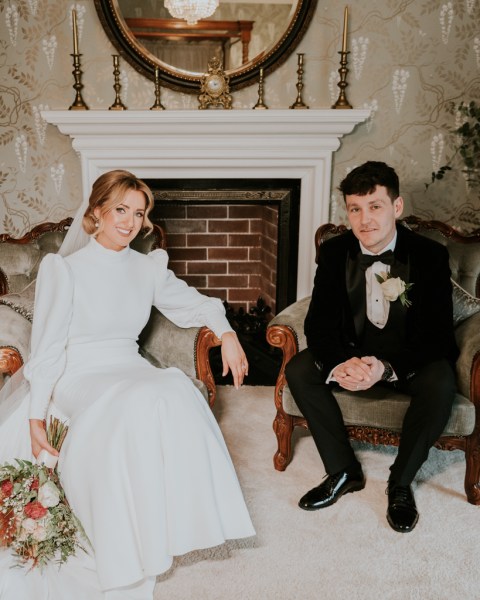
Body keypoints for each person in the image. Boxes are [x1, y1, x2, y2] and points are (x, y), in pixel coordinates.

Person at [0, 170, 255, 598]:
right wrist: (35, 418)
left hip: (127, 364)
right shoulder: (64, 269)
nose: (130, 222)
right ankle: (120, 538)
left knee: (173, 389)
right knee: (135, 399)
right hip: (78, 371)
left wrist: (226, 333)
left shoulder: (147, 267)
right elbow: (46, 351)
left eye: (138, 213)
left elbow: (197, 304)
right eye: (121, 210)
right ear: (97, 211)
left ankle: (167, 526)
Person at [285, 161, 458, 533]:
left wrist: (386, 366)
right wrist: (340, 364)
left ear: (396, 207)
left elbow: (437, 335)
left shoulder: (429, 255)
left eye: (375, 206)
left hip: (405, 362)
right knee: (299, 368)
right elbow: (319, 323)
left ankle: (400, 482)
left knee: (441, 379)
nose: (365, 220)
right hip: (353, 354)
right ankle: (343, 470)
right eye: (355, 209)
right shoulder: (334, 253)